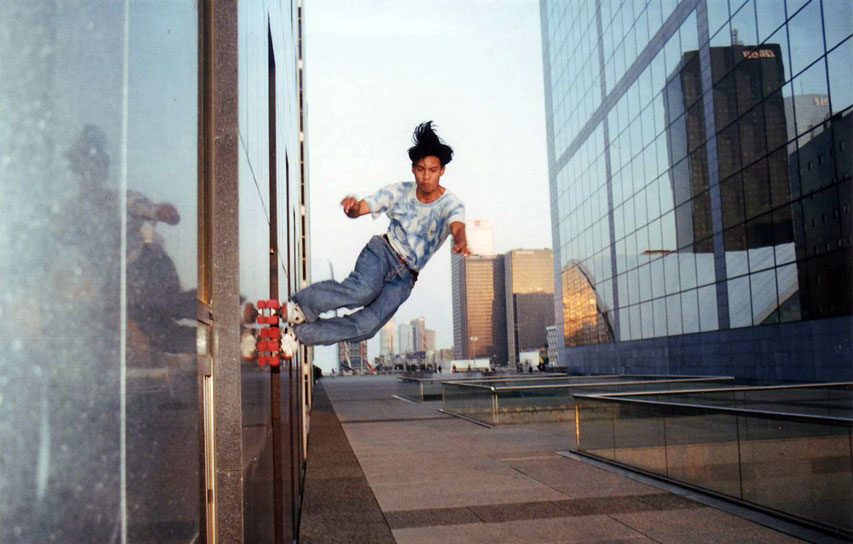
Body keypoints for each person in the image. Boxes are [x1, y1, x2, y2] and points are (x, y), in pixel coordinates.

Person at [276, 122, 469, 354]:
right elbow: (365, 207)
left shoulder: (451, 204)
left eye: (433, 170)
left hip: (405, 278)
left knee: (367, 327)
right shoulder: (399, 192)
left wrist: (460, 240)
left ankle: (298, 335)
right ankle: (300, 306)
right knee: (362, 291)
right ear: (413, 169)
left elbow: (457, 225)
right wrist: (354, 208)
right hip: (383, 253)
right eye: (420, 169)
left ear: (442, 170)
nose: (426, 177)